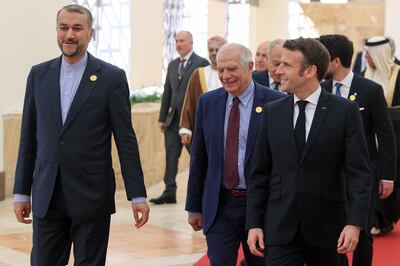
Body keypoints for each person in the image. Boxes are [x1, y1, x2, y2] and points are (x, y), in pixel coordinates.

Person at [13, 5, 149, 266]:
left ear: (90, 33)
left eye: (77, 28)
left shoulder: (111, 78)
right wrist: (21, 192)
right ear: (57, 31)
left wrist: (138, 196)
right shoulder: (38, 75)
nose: (70, 34)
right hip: (47, 195)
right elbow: (28, 137)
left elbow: (126, 141)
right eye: (64, 28)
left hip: (91, 197)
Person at [246, 38, 372, 266]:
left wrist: (354, 223)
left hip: (328, 229)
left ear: (310, 71)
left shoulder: (344, 112)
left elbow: (359, 173)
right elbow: (259, 174)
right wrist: (254, 223)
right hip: (280, 228)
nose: (278, 71)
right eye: (279, 64)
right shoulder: (272, 112)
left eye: (287, 65)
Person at [185, 43, 284, 266]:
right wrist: (194, 206)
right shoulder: (208, 102)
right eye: (221, 70)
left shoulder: (276, 102)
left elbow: (282, 161)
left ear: (249, 67)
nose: (225, 76)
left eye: (232, 69)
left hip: (260, 205)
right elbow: (199, 158)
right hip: (220, 205)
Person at [319, 34, 396, 266]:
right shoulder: (321, 89)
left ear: (335, 61)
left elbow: (385, 134)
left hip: (363, 174)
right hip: (328, 176)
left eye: (321, 58)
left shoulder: (370, 90)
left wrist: (387, 175)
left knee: (361, 232)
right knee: (333, 231)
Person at [151, 31, 209, 204]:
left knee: (198, 158)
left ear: (191, 42)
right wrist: (162, 118)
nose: (178, 44)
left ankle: (204, 190)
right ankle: (169, 191)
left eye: (182, 40)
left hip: (192, 122)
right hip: (172, 121)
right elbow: (167, 92)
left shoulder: (201, 64)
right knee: (170, 157)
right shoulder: (172, 64)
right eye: (176, 41)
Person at [364, 36, 400, 234]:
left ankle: (386, 217)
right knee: (372, 174)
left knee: (388, 174)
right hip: (370, 136)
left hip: (394, 136)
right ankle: (374, 218)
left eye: (369, 55)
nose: (366, 58)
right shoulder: (364, 74)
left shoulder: (398, 73)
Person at [179, 36, 227, 147]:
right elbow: (189, 102)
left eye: (217, 50)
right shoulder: (199, 74)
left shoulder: (232, 74)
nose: (214, 53)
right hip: (204, 131)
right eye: (211, 50)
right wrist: (185, 129)